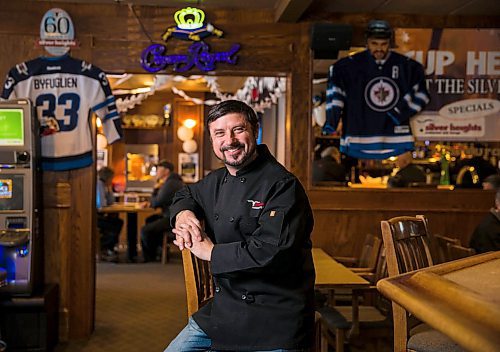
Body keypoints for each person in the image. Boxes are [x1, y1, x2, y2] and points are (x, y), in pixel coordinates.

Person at [165, 100, 315, 352]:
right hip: (224, 309)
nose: (229, 141)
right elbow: (184, 195)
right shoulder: (216, 180)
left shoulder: (282, 185)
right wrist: (184, 216)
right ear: (212, 140)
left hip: (274, 315)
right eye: (219, 133)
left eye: (238, 130)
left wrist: (210, 252)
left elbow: (270, 251)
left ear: (255, 131)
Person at [323, 19, 429, 159]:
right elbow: (335, 94)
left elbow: (422, 94)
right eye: (374, 44)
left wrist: (398, 112)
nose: (379, 48)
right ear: (367, 42)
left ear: (389, 44)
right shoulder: (346, 67)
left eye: (384, 44)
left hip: (396, 138)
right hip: (357, 138)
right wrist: (332, 121)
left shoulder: (408, 67)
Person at [140, 160, 184, 262]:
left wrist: (155, 189)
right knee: (149, 220)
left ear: (166, 171)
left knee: (145, 230)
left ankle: (150, 257)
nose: (157, 172)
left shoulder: (171, 183)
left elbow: (157, 201)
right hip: (172, 215)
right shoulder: (171, 181)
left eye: (159, 169)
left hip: (172, 218)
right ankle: (158, 250)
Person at [96, 167, 123, 262]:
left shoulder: (104, 185)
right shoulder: (98, 184)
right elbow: (101, 204)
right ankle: (105, 248)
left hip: (101, 216)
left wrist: (110, 188)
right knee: (114, 225)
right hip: (95, 218)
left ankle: (109, 247)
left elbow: (111, 201)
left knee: (118, 222)